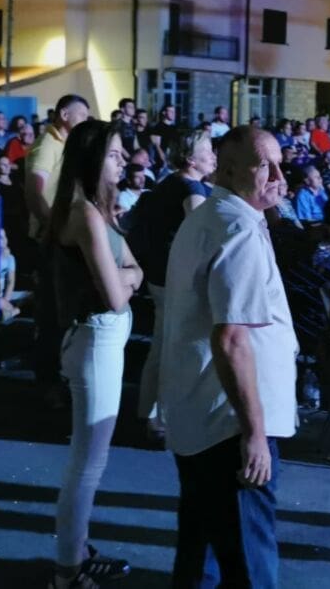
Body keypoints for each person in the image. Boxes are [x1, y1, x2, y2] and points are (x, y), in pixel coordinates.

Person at [160, 125, 297, 587]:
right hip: (229, 425)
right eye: (264, 166)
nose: (279, 176)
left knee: (201, 556)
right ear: (230, 169)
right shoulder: (236, 228)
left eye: (280, 164)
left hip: (205, 417)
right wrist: (254, 434)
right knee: (248, 564)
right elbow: (232, 338)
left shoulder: (215, 217)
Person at [49, 121, 141, 589]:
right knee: (88, 462)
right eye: (114, 154)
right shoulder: (85, 214)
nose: (124, 161)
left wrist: (129, 275)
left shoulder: (98, 211)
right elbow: (117, 294)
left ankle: (77, 550)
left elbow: (133, 268)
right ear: (91, 160)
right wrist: (129, 278)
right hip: (96, 338)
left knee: (89, 458)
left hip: (100, 338)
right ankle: (67, 569)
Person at [126, 129, 216, 438]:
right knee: (175, 347)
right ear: (191, 158)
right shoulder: (193, 189)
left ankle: (149, 410)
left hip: (159, 274)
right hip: (178, 278)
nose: (214, 156)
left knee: (162, 343)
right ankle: (161, 417)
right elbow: (201, 236)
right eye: (208, 151)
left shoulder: (169, 182)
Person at [26, 94, 92, 400]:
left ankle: (59, 377)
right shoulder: (47, 144)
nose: (85, 122)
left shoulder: (66, 146)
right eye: (82, 116)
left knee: (64, 312)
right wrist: (51, 228)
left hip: (63, 235)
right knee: (52, 314)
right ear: (65, 115)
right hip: (51, 238)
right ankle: (49, 382)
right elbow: (34, 190)